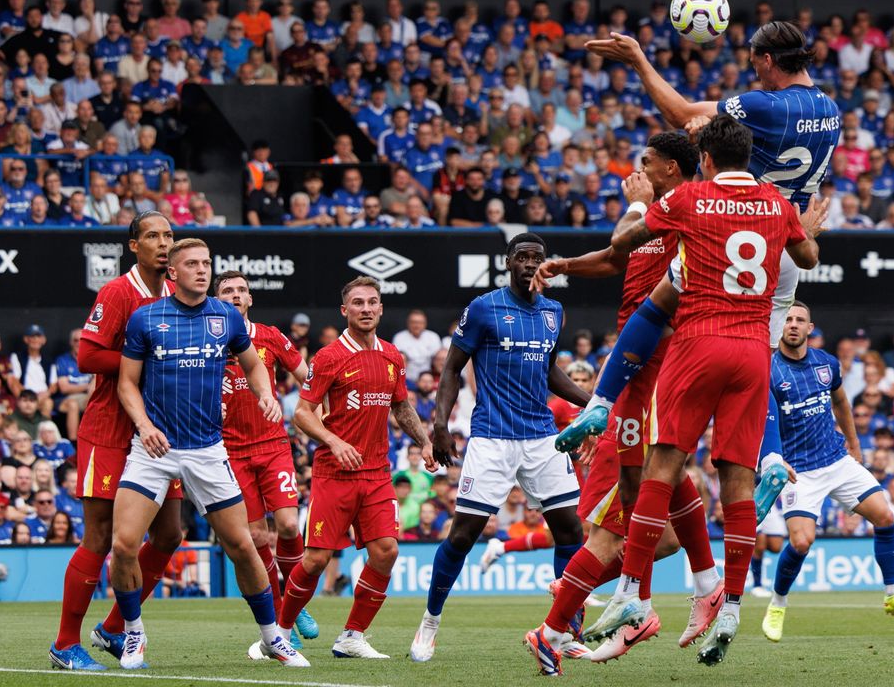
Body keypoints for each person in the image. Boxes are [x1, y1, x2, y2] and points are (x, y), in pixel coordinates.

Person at [580, 115, 821, 666]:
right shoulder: (776, 204)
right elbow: (806, 258)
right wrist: (808, 228)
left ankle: (629, 596)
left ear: (706, 159)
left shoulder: (690, 196)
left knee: (662, 466)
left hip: (699, 342)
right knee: (738, 477)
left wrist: (642, 206)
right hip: (753, 351)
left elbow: (624, 244)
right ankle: (732, 603)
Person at [525, 133, 722, 664]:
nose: (636, 171)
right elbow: (618, 257)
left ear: (674, 170)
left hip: (659, 361)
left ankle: (570, 617)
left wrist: (636, 201)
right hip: (635, 367)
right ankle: (656, 597)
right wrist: (566, 266)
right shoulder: (661, 217)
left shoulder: (687, 209)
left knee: (624, 508)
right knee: (657, 485)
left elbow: (622, 241)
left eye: (647, 164)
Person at [585, 20, 838, 349]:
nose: (755, 71)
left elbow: (680, 113)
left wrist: (637, 59)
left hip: (737, 231)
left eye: (753, 62)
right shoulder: (831, 110)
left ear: (767, 60)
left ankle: (604, 398)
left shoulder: (766, 105)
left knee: (657, 308)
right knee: (765, 355)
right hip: (790, 241)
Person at [111, 238, 301, 669]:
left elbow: (253, 364)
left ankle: (273, 638)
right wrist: (144, 425)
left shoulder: (226, 316)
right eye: (193, 264)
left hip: (207, 450)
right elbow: (126, 383)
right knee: (123, 545)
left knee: (242, 545)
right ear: (173, 273)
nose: (202, 270)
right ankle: (134, 633)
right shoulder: (146, 318)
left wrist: (266, 394)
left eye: (207, 263)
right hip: (153, 449)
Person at [412, 234, 590, 667]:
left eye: (538, 258)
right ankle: (430, 622)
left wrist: (594, 403)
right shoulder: (484, 308)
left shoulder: (553, 312)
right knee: (463, 535)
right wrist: (439, 425)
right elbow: (453, 368)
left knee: (571, 530)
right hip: (492, 437)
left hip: (542, 437)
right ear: (508, 262)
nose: (531, 264)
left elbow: (550, 373)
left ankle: (564, 631)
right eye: (523, 257)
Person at [48, 213, 184, 672]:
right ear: (133, 245)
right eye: (152, 236)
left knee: (169, 534)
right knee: (101, 536)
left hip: (160, 431)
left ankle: (111, 628)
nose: (163, 244)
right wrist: (145, 359)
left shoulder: (175, 293)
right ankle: (65, 643)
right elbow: (87, 355)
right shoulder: (117, 292)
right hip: (111, 430)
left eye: (168, 236)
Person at [275, 276, 433, 660]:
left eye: (372, 302)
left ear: (380, 308)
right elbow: (301, 413)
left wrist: (424, 440)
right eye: (358, 303)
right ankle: (277, 634)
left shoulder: (393, 356)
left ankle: (352, 636)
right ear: (345, 311)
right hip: (334, 473)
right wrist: (333, 441)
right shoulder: (329, 357)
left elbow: (401, 407)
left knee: (386, 551)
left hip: (377, 473)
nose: (366, 309)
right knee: (315, 560)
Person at [759, 303, 894, 643]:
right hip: (799, 471)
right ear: (780, 327)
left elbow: (841, 402)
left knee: (884, 514)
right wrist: (774, 457)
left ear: (810, 328)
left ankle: (893, 593)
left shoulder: (826, 364)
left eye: (799, 320)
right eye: (788, 319)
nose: (793, 325)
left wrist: (853, 442)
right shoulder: (769, 370)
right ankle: (777, 605)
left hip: (837, 459)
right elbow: (760, 420)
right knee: (802, 541)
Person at [212, 270, 317, 650]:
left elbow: (308, 377)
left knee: (288, 526)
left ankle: (294, 602)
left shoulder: (269, 336)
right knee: (255, 537)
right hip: (229, 452)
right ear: (216, 299)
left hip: (273, 446)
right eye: (228, 291)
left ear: (250, 299)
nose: (236, 295)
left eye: (242, 290)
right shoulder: (205, 341)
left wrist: (318, 411)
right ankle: (277, 612)